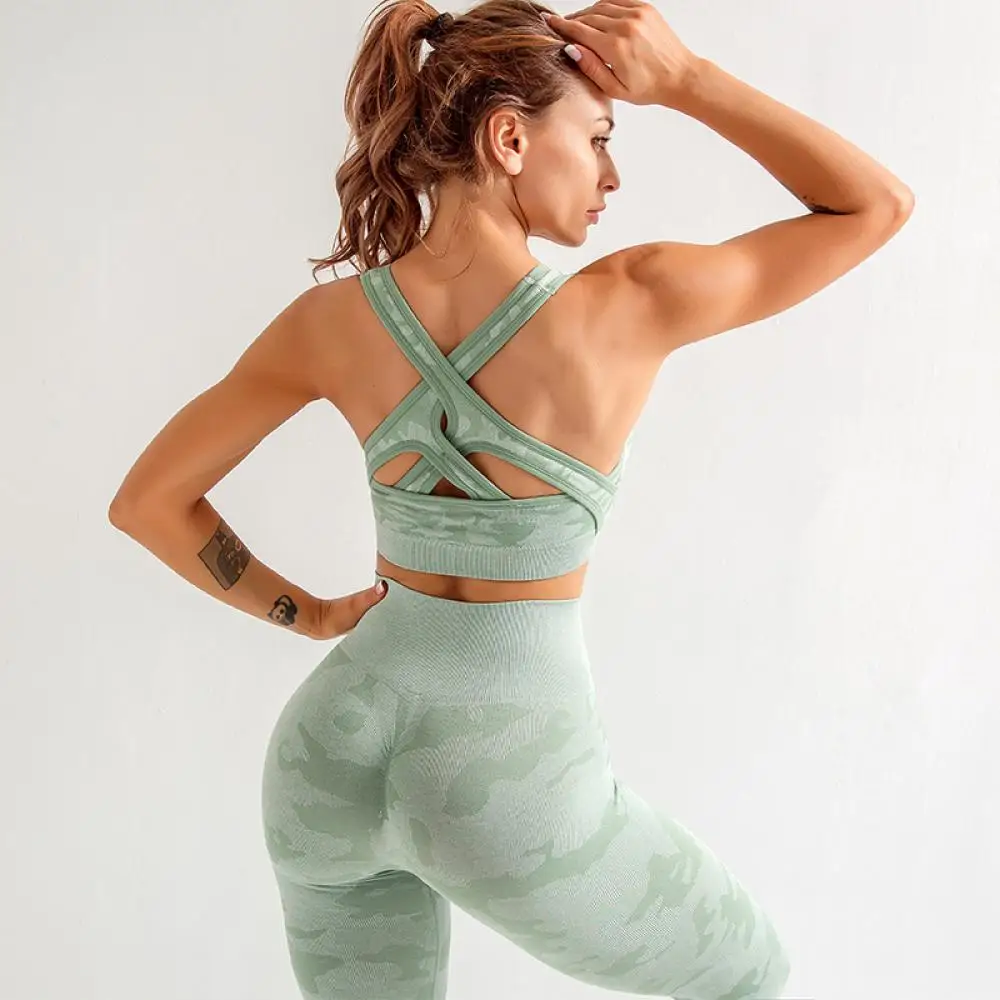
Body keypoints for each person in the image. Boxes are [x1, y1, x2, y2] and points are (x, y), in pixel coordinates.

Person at [109, 1, 915, 997]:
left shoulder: (327, 324)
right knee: (748, 974)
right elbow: (873, 207)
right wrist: (687, 80)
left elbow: (150, 501)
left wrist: (307, 614)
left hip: (326, 758)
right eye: (600, 138)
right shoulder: (628, 304)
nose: (612, 176)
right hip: (504, 784)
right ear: (508, 138)